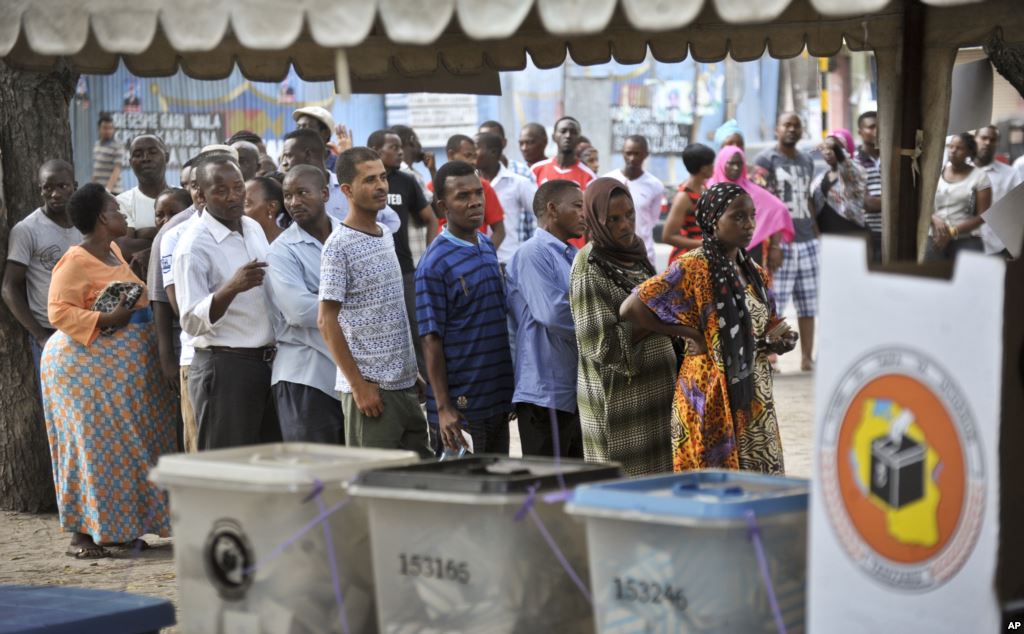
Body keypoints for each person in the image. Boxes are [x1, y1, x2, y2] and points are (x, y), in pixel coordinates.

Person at [621, 183, 798, 474]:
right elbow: (631, 308)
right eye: (738, 217)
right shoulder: (692, 267)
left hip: (752, 395)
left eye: (752, 216)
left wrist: (782, 339)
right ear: (714, 221)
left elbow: (770, 323)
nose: (750, 224)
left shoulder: (755, 272)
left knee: (756, 483)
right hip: (708, 393)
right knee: (713, 483)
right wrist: (691, 334)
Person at [42, 182, 176, 558]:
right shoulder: (75, 260)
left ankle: (117, 529)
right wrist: (106, 317)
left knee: (123, 447)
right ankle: (81, 537)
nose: (123, 214)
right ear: (103, 218)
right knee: (92, 448)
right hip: (84, 372)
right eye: (117, 209)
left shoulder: (112, 250)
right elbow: (59, 311)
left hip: (116, 375)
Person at [318, 147, 432, 457]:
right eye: (369, 180)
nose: (380, 186)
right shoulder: (338, 246)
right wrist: (358, 387)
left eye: (382, 177)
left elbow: (389, 309)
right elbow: (326, 321)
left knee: (417, 482)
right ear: (347, 190)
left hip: (405, 385)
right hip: (371, 394)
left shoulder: (384, 233)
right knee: (374, 485)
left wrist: (412, 372)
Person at [173, 154, 282, 449]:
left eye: (238, 187)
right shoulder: (193, 245)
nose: (233, 196)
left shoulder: (252, 227)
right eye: (221, 190)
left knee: (269, 464)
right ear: (201, 194)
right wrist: (230, 289)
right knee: (229, 467)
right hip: (225, 369)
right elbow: (191, 321)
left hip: (267, 365)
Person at [570, 177, 676, 477]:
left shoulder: (636, 255)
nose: (625, 225)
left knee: (660, 486)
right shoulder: (588, 267)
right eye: (613, 219)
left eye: (629, 215)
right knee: (626, 489)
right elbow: (601, 345)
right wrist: (650, 317)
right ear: (596, 220)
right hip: (620, 407)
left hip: (656, 396)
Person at [417, 161, 514, 455]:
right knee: (468, 494)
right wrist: (445, 408)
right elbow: (431, 340)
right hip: (462, 410)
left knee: (500, 491)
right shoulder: (434, 264)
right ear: (443, 206)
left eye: (478, 193)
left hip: (496, 400)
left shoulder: (485, 245)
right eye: (463, 196)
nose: (474, 202)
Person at [266, 165, 345, 443]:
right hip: (306, 378)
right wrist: (357, 306)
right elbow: (299, 311)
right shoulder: (281, 251)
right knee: (314, 477)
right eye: (288, 196)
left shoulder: (348, 237)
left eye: (302, 193)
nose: (294, 202)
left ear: (324, 193)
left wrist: (327, 301)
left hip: (348, 377)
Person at [507, 180, 586, 458]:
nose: (584, 213)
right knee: (544, 484)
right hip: (544, 391)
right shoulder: (533, 253)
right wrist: (600, 330)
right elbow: (554, 313)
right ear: (552, 209)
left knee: (573, 479)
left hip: (571, 388)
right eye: (577, 206)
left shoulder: (571, 255)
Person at [367, 129, 439, 376]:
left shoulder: (407, 180)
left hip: (405, 271)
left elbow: (431, 219)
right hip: (371, 275)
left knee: (420, 334)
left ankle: (431, 393)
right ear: (377, 151)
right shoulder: (361, 181)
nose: (400, 152)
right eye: (394, 147)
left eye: (400, 147)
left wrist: (428, 257)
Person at [2, 160, 82, 378]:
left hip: (87, 327)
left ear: (74, 186)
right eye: (48, 187)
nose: (55, 194)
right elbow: (9, 287)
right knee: (56, 403)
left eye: (62, 186)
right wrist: (39, 336)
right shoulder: (27, 229)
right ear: (40, 190)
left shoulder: (86, 224)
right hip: (51, 332)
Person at [754, 113, 817, 372]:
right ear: (777, 129)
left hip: (808, 239)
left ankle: (807, 358)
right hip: (781, 242)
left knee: (808, 302)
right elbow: (763, 203)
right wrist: (774, 244)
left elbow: (809, 197)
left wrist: (817, 232)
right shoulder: (766, 160)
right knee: (775, 302)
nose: (792, 129)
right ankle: (771, 356)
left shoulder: (806, 160)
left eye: (796, 126)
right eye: (786, 125)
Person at [708, 146, 794, 267]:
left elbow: (778, 210)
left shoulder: (751, 190)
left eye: (739, 164)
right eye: (731, 163)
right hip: (718, 252)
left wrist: (775, 246)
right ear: (721, 163)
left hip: (750, 253)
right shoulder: (709, 189)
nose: (736, 168)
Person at [925, 132, 992, 261]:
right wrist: (934, 218)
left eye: (959, 148)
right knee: (930, 275)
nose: (953, 151)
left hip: (966, 238)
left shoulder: (980, 177)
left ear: (969, 152)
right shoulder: (936, 172)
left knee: (967, 275)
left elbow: (983, 215)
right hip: (934, 235)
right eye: (951, 146)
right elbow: (923, 203)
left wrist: (952, 232)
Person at [476, 132, 537, 265]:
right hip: (476, 262)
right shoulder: (470, 185)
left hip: (507, 262)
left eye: (476, 148)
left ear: (493, 152)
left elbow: (543, 213)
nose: (472, 153)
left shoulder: (518, 183)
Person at [604, 135, 664, 264]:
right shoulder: (607, 180)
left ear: (646, 154)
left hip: (644, 255)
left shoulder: (655, 185)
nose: (632, 158)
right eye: (628, 153)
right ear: (622, 153)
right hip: (614, 253)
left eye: (637, 154)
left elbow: (652, 220)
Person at [439, 134, 506, 249]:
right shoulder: (431, 187)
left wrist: (485, 255)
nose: (473, 161)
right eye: (468, 155)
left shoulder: (484, 186)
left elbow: (499, 231)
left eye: (479, 193)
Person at [974, 125, 1022, 256]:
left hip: (996, 246)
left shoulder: (1011, 174)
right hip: (960, 242)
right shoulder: (959, 170)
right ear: (974, 139)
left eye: (992, 139)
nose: (987, 143)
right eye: (984, 138)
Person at [810, 131, 869, 236]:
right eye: (824, 148)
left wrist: (837, 151)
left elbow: (847, 167)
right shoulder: (819, 179)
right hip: (827, 236)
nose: (827, 152)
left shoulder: (855, 172)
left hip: (851, 235)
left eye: (833, 148)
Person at [663, 144, 714, 262]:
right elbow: (668, 236)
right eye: (711, 163)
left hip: (703, 256)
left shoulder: (703, 188)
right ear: (703, 168)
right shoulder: (684, 197)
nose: (714, 166)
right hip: (689, 259)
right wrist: (703, 244)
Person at [532, 117, 595, 189]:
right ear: (554, 137)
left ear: (579, 139)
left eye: (573, 132)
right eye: (563, 131)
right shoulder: (536, 170)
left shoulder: (589, 177)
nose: (568, 136)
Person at [854, 111, 884, 261]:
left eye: (879, 126)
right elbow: (867, 203)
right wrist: (897, 202)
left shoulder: (890, 157)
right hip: (870, 232)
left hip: (895, 231)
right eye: (871, 127)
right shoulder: (854, 162)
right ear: (860, 131)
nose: (876, 131)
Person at [292, 106, 338, 172]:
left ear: (325, 133)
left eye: (305, 127)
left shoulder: (339, 167)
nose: (300, 132)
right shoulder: (291, 163)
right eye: (298, 127)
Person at [244, 176, 286, 242]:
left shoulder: (291, 244)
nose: (239, 209)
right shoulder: (239, 241)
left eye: (246, 204)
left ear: (272, 206)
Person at [91, 113, 123, 194]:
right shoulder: (97, 145)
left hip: (112, 192)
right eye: (105, 128)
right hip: (98, 191)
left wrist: (108, 190)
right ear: (99, 129)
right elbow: (97, 169)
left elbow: (117, 169)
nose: (108, 131)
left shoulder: (117, 146)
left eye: (110, 128)